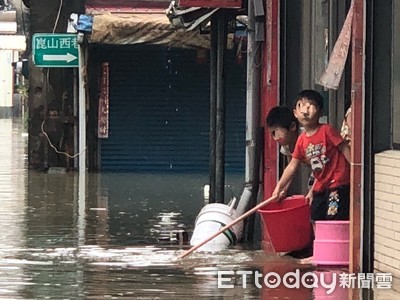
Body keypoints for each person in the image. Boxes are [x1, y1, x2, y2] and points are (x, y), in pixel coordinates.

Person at [272, 89, 351, 225]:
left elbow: (343, 148)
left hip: (338, 182)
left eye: (310, 106)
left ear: (320, 112)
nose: (305, 111)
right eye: (301, 106)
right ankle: (320, 244)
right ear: (295, 113)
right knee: (315, 216)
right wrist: (279, 187)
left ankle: (334, 245)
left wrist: (356, 167)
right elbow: (292, 166)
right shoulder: (302, 140)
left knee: (334, 217)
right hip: (321, 184)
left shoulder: (326, 130)